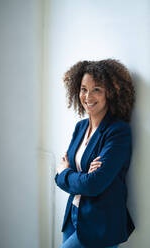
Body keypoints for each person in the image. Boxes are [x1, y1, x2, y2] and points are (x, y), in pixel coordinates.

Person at [55, 59, 135, 248]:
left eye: (97, 89)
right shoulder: (80, 127)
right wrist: (79, 176)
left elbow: (93, 184)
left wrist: (67, 173)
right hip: (73, 217)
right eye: (83, 89)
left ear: (111, 92)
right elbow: (57, 177)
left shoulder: (118, 131)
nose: (88, 96)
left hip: (100, 224)